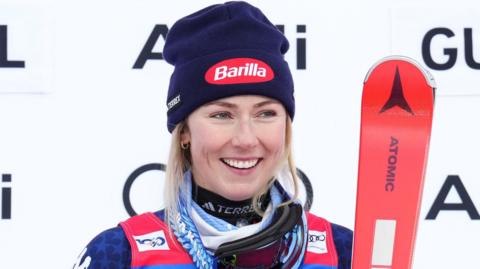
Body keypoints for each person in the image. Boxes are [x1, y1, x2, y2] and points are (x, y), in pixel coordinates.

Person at [73, 1, 352, 268]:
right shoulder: (119, 255)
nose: (245, 139)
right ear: (185, 132)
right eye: (222, 115)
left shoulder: (343, 252)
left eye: (265, 113)